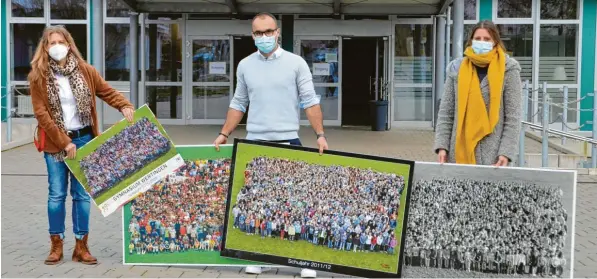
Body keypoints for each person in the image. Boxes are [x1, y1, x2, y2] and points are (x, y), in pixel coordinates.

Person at [212, 12, 328, 278]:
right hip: (255, 142)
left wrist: (320, 134)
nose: (264, 37)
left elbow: (309, 101)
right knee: (259, 204)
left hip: (289, 140)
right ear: (253, 36)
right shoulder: (244, 65)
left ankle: (304, 260)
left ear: (278, 32)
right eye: (258, 33)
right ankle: (259, 257)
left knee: (296, 204)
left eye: (268, 32)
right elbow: (238, 102)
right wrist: (224, 133)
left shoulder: (296, 63)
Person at [29, 25, 134, 265]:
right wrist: (65, 142)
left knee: (81, 197)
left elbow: (106, 91)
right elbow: (41, 114)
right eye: (51, 43)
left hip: (84, 139)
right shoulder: (38, 76)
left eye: (60, 42)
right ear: (45, 47)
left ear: (69, 44)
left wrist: (125, 105)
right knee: (56, 195)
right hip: (56, 144)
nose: (56, 47)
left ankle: (81, 246)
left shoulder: (86, 71)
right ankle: (56, 245)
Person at [434, 20, 522, 166]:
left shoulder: (509, 70)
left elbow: (513, 117)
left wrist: (506, 152)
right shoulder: (457, 69)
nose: (482, 42)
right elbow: (446, 113)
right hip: (459, 153)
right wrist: (442, 146)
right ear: (471, 41)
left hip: (494, 157)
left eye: (487, 39)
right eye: (478, 39)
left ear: (495, 42)